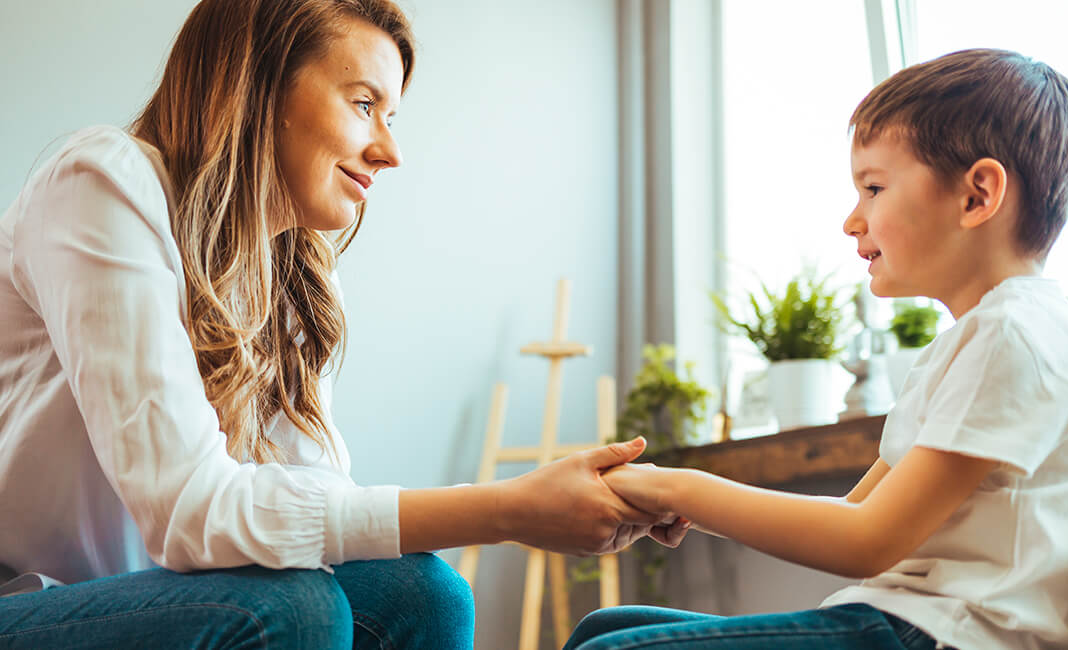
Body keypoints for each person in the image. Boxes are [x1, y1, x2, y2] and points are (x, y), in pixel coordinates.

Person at [0, 0, 686, 648]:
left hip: (161, 594)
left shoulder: (290, 273)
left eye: (392, 117)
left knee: (424, 592)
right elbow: (193, 513)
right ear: (258, 88)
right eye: (364, 105)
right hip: (30, 602)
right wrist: (505, 509)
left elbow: (314, 506)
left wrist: (521, 504)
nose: (389, 151)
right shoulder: (102, 184)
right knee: (294, 608)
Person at [576, 48, 1068, 650]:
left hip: (952, 636)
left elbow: (865, 541)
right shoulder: (973, 343)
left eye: (873, 188)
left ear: (977, 196)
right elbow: (850, 515)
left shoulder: (1015, 337)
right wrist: (682, 501)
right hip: (900, 622)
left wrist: (675, 488)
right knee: (608, 628)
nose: (851, 220)